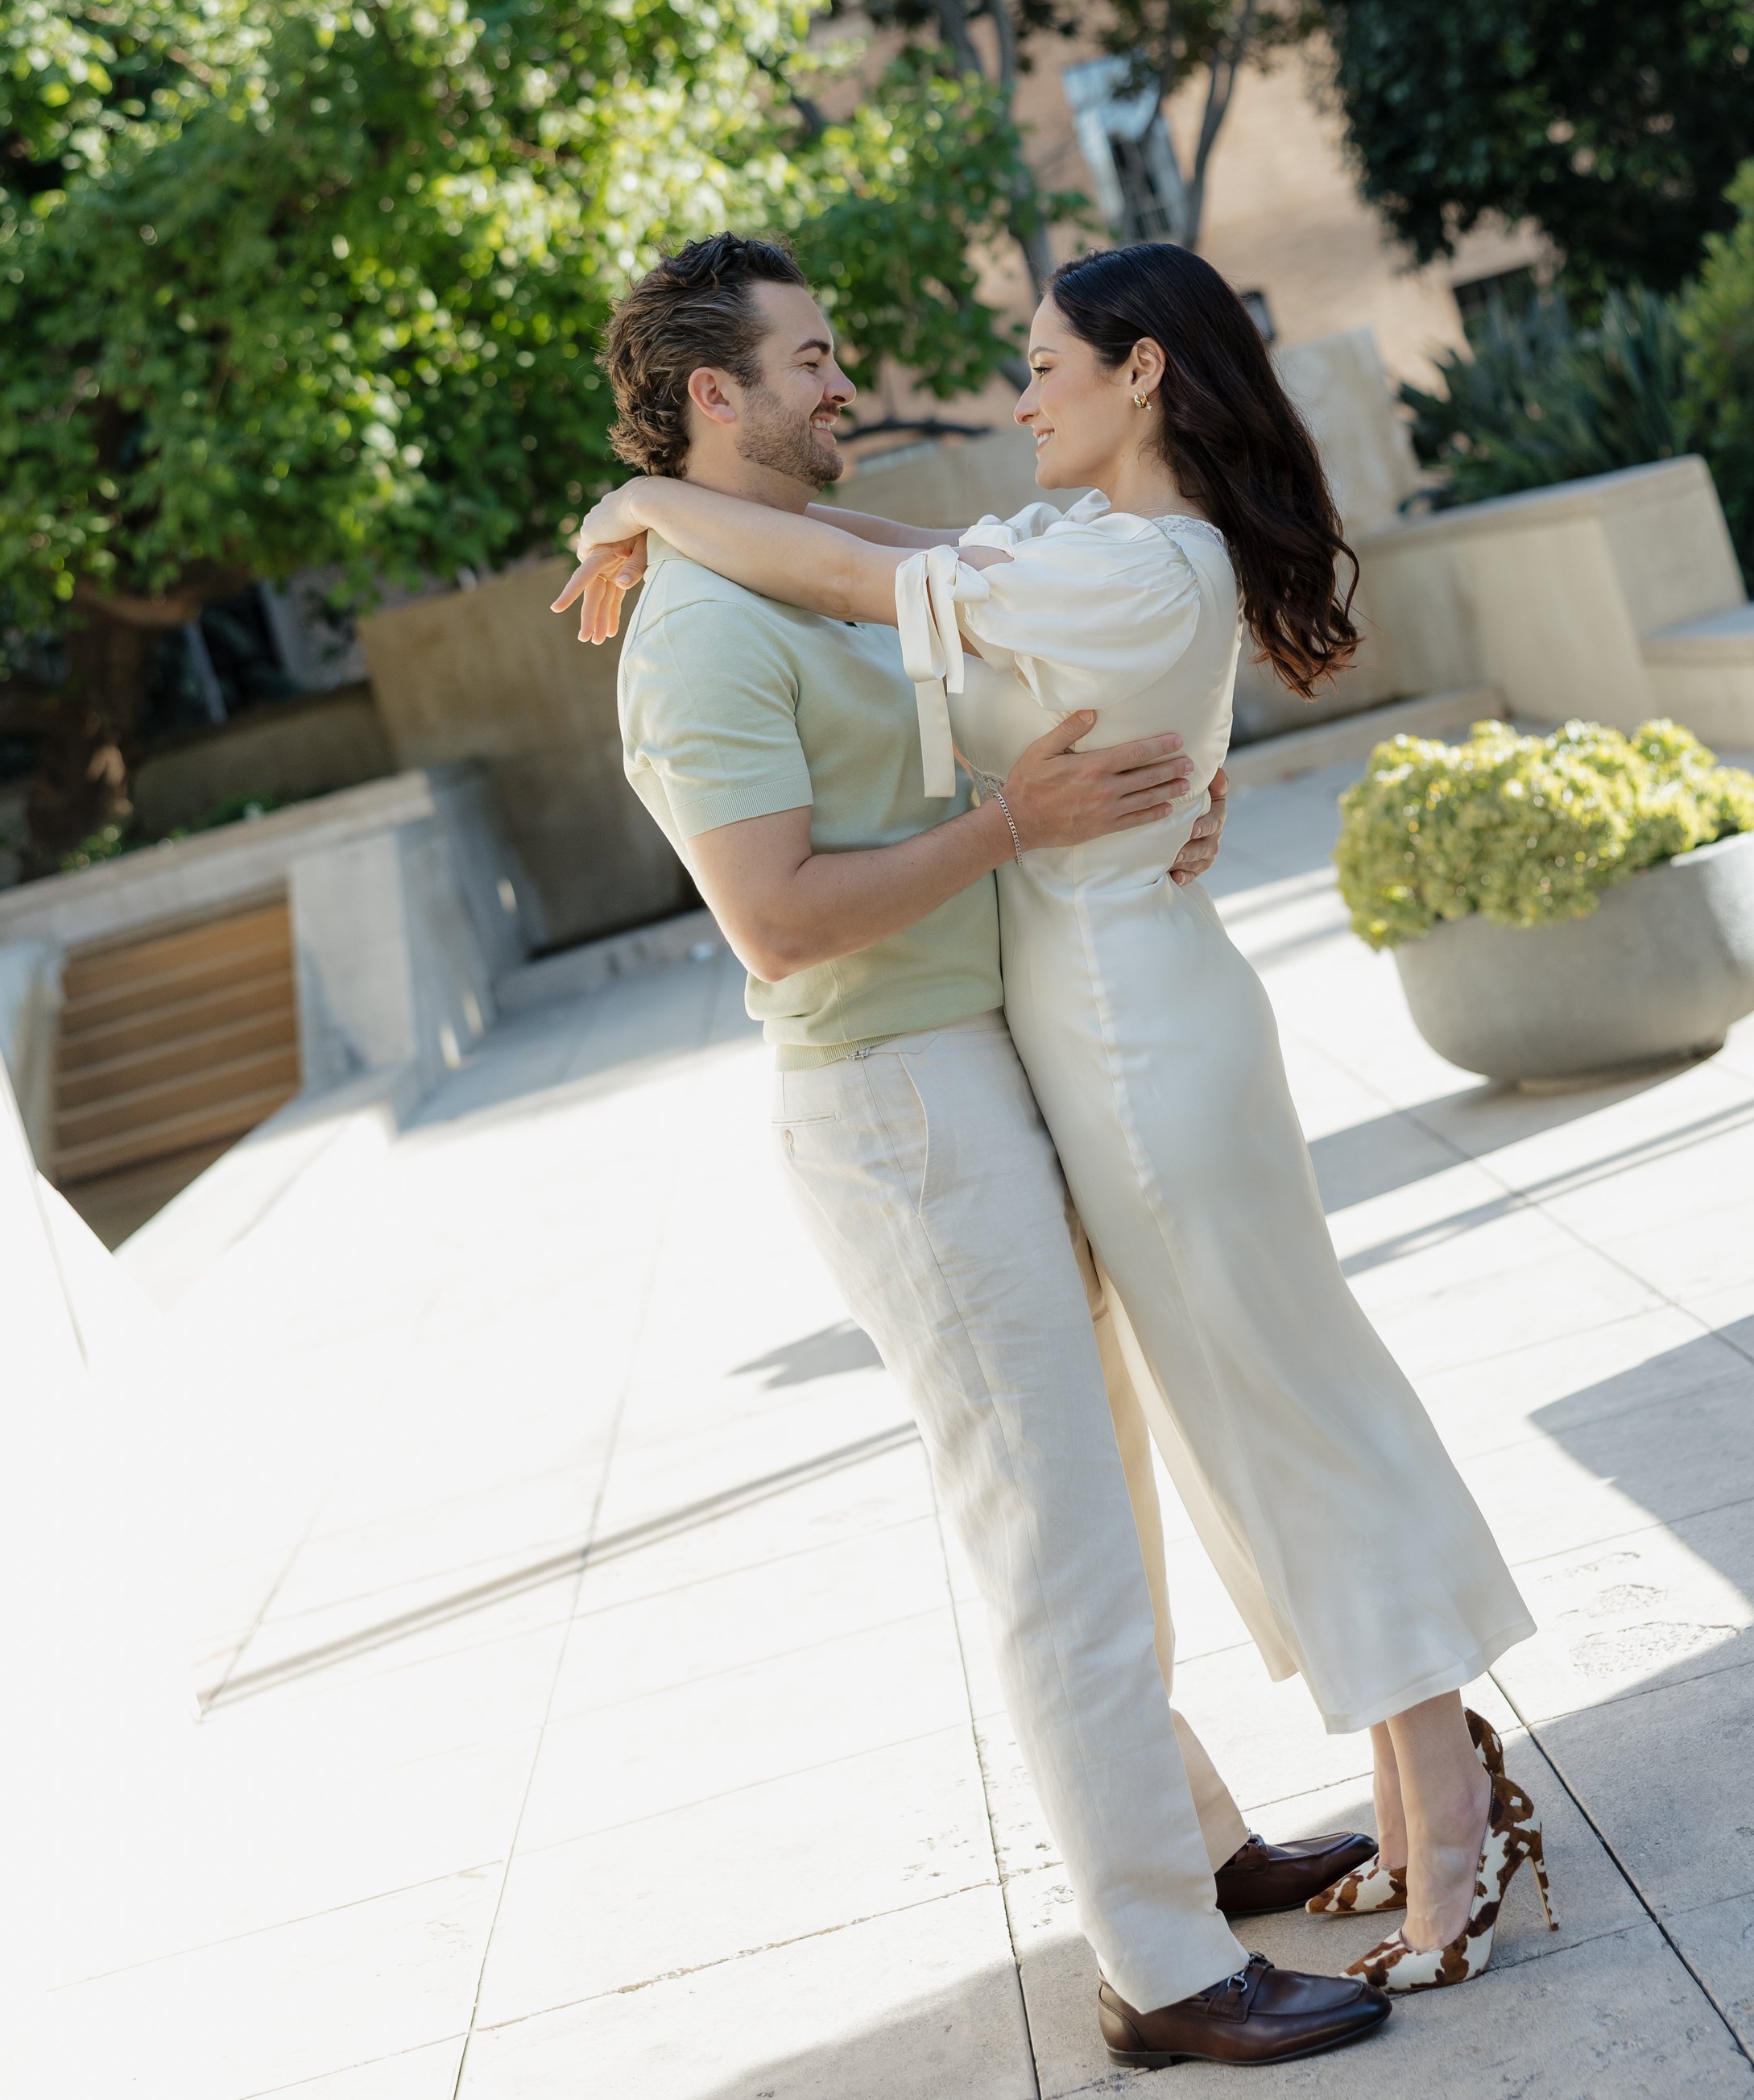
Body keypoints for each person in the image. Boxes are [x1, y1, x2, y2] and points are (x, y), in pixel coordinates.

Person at [565, 237, 1553, 2015]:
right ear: (718, 392)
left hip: (1107, 1042)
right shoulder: (758, 609)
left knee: (1249, 1427)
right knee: (1153, 1477)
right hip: (979, 1063)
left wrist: (642, 505)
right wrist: (651, 515)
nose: (871, 380)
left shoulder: (1089, 562)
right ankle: (1246, 1899)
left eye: (1040, 364)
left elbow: (886, 574)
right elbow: (798, 852)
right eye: (812, 356)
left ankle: (1411, 1796)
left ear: (1139, 374)